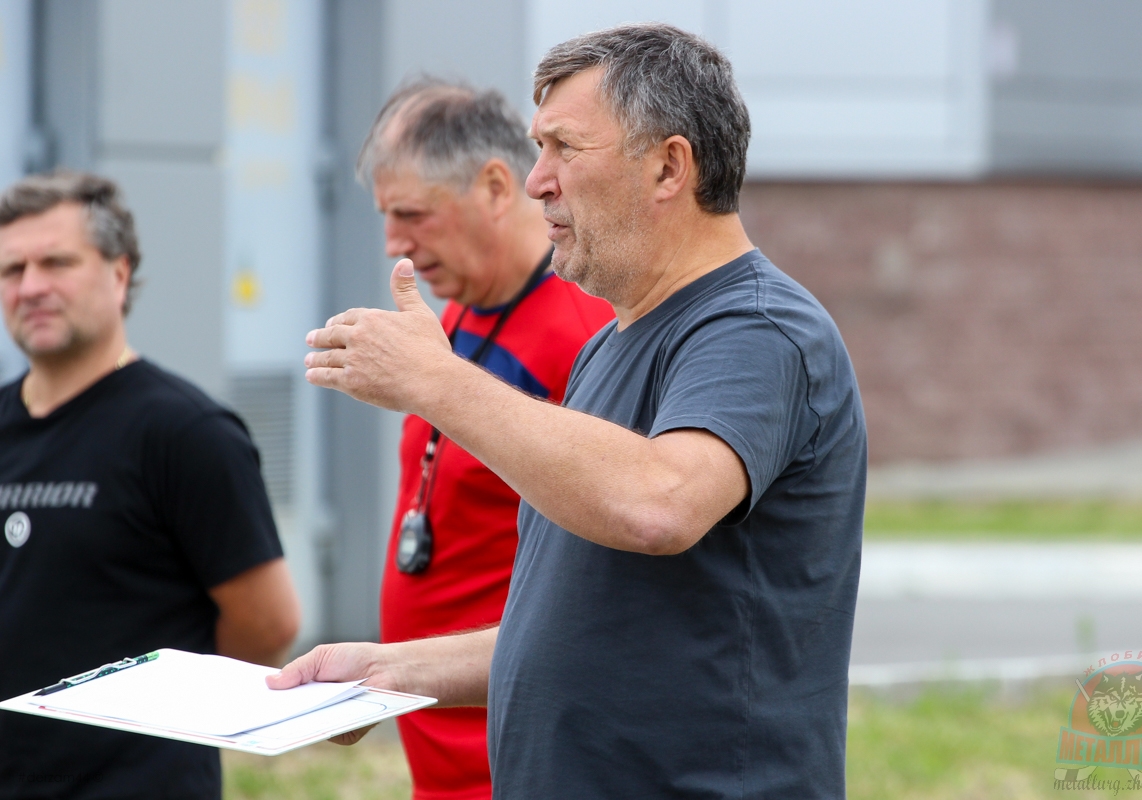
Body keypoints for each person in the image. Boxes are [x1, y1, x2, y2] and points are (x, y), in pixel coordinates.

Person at [277, 23, 866, 800]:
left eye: (563, 149)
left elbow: (661, 504)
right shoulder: (612, 344)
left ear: (669, 166)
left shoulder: (757, 330)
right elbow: (567, 632)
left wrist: (437, 382)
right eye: (537, 148)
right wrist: (386, 671)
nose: (536, 181)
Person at [0, 171, 301, 800]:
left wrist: (157, 719)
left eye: (56, 262)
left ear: (118, 273)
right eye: (12, 269)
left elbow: (268, 624)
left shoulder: (184, 431)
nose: (31, 287)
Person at [359, 79, 613, 798]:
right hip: (440, 753)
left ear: (498, 187)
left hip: (520, 760)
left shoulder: (582, 334)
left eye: (412, 214)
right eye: (385, 217)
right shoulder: (458, 316)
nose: (393, 244)